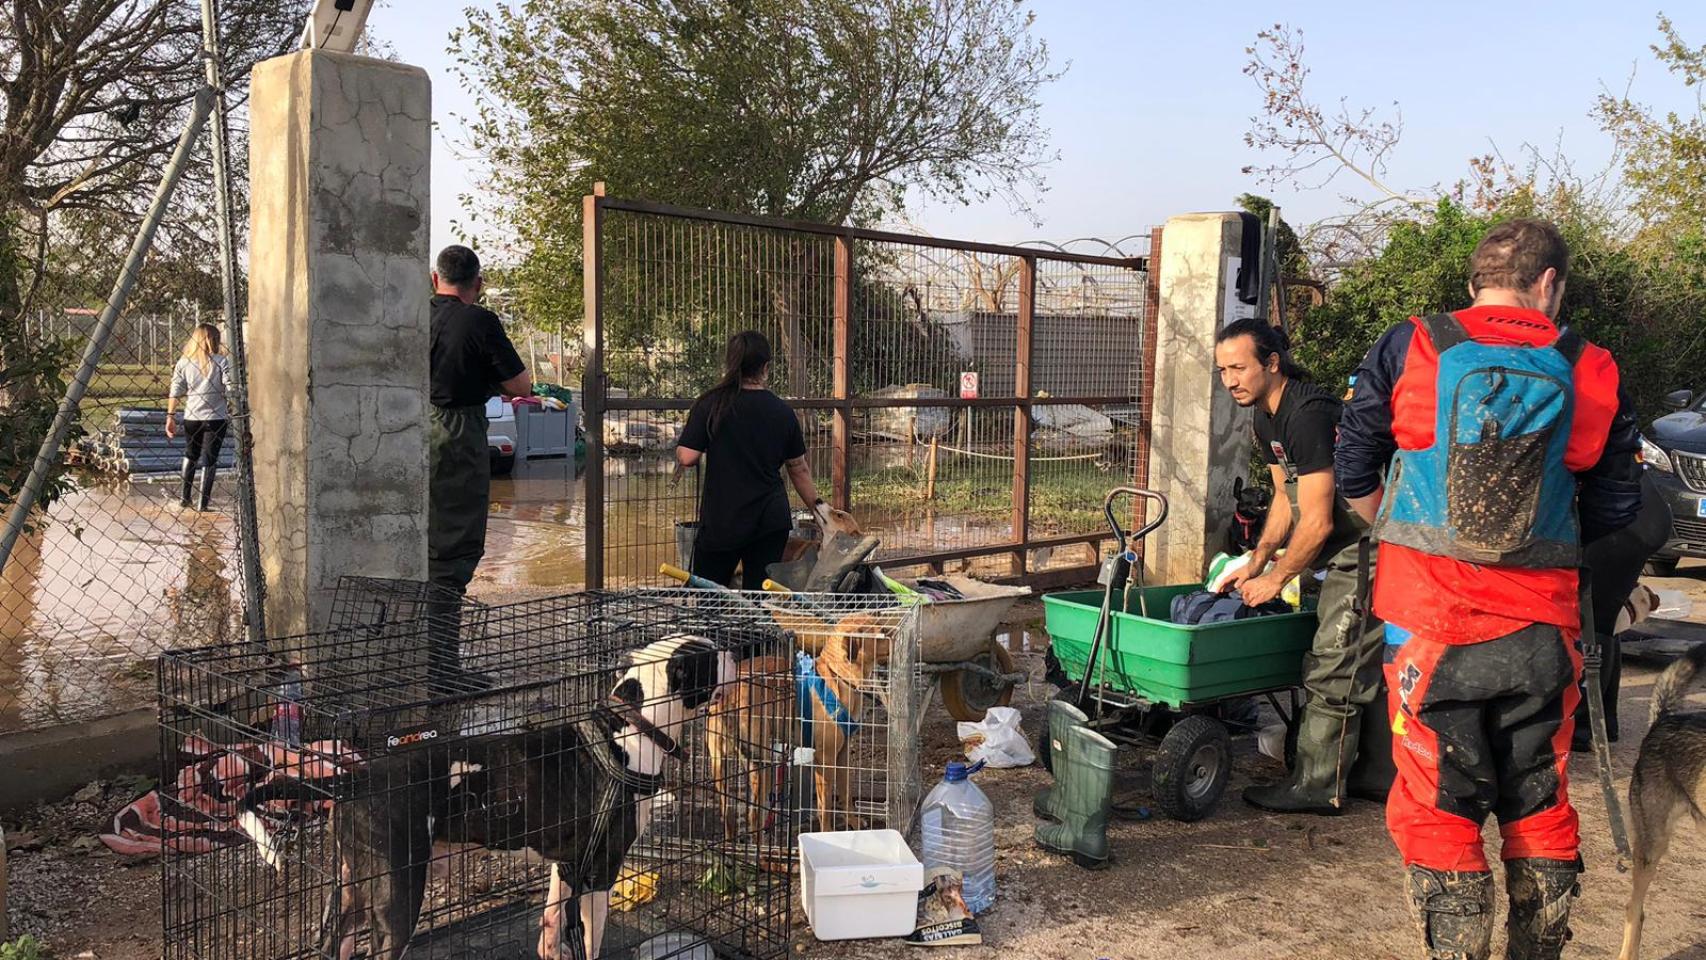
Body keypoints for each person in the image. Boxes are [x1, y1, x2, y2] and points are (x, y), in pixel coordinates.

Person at [1335, 218, 1642, 960]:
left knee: (1439, 804)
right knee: (1539, 800)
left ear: (1475, 284)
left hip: (1426, 625)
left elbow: (1353, 463)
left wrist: (1398, 534)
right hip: (1542, 631)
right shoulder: (1590, 365)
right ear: (1548, 285)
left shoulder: (1414, 344)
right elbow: (1615, 506)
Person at [1213, 318, 1385, 815]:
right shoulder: (1266, 415)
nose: (1230, 380)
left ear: (1271, 362)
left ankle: (1316, 785)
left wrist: (1277, 579)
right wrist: (1257, 559)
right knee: (1352, 660)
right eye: (1223, 370)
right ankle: (1372, 776)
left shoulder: (1308, 413)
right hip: (1338, 541)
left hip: (1368, 545)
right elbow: (1285, 502)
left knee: (1336, 661)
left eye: (1239, 367)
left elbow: (1319, 520)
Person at [428, 245, 530, 689]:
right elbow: (520, 384)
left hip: (402, 430)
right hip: (456, 432)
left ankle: (413, 661)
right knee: (452, 551)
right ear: (478, 284)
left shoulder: (413, 314)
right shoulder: (480, 321)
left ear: (436, 280)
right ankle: (442, 672)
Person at [676, 331, 827, 591]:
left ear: (730, 363)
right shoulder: (782, 412)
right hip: (770, 520)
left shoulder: (711, 404)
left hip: (723, 519)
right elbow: (798, 468)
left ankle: (712, 633)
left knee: (710, 596)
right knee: (759, 598)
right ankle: (756, 632)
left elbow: (687, 457)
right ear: (766, 368)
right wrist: (819, 510)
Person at [166, 322, 233, 511]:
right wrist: (233, 397)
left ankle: (184, 498)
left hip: (192, 417)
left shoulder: (184, 362)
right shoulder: (221, 361)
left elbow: (175, 390)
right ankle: (203, 504)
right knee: (210, 459)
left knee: (191, 454)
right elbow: (229, 386)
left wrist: (170, 416)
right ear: (214, 340)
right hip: (216, 418)